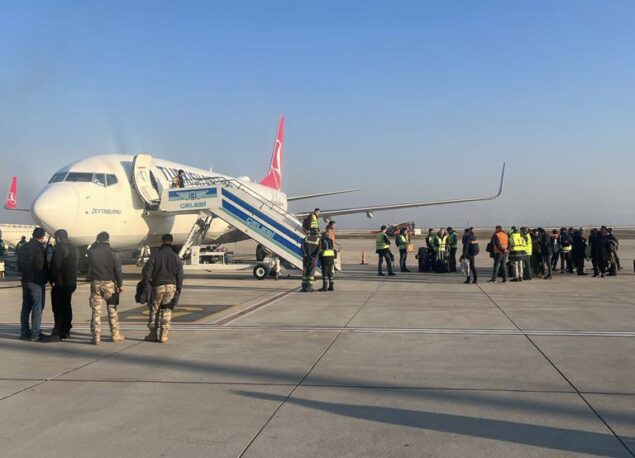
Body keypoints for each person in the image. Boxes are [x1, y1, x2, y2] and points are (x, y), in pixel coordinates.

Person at [142, 234, 184, 343]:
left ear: (162, 241)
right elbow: (180, 274)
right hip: (171, 286)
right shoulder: (176, 257)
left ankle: (152, 334)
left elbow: (147, 271)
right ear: (172, 241)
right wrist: (179, 288)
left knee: (154, 309)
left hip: (157, 286)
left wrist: (146, 284)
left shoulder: (155, 255)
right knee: (167, 309)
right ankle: (164, 335)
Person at [87, 231, 125, 345]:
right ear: (108, 240)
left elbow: (90, 249)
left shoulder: (92, 252)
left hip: (96, 283)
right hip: (110, 284)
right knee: (112, 310)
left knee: (96, 311)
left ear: (98, 240)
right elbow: (118, 271)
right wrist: (120, 285)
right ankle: (115, 334)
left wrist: (96, 243)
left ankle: (96, 336)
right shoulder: (114, 253)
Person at [17, 228, 48, 341]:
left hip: (25, 279)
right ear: (42, 236)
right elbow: (40, 266)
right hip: (36, 281)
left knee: (26, 307)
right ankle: (35, 334)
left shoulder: (24, 246)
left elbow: (19, 264)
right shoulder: (39, 248)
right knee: (37, 307)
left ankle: (24, 332)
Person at [47, 229, 78, 341]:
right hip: (71, 282)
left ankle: (58, 329)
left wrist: (52, 279)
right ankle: (66, 329)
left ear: (58, 238)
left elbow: (55, 266)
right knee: (67, 305)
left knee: (57, 307)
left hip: (60, 282)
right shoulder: (74, 248)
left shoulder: (59, 248)